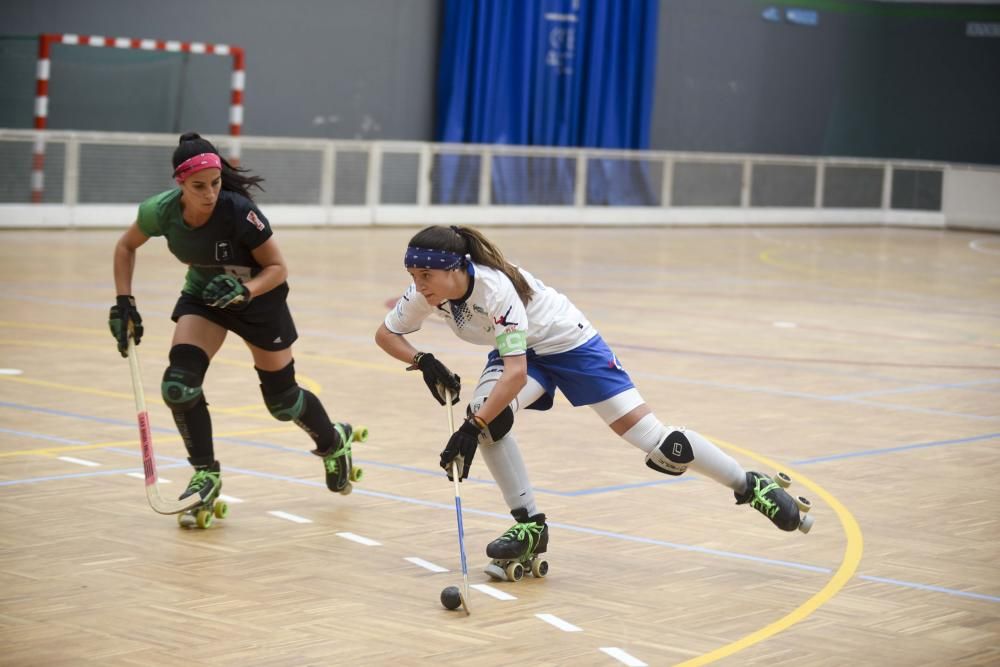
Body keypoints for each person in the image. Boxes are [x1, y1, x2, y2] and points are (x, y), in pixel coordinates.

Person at [375, 225, 812, 578]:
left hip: (570, 344)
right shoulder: (427, 292)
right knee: (491, 419)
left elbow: (515, 376)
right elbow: (385, 334)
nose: (418, 287)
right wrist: (423, 360)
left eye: (425, 277)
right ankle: (529, 525)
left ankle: (751, 486)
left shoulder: (495, 289)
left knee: (660, 444)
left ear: (456, 268)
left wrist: (470, 429)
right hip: (521, 352)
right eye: (413, 278)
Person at [109, 132, 363, 523]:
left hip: (259, 300)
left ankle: (333, 442)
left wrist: (246, 292)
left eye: (215, 183)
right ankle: (205, 474)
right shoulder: (159, 212)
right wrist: (124, 301)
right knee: (178, 385)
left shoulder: (240, 212)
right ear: (179, 182)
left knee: (282, 403)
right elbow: (126, 247)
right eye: (199, 186)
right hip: (205, 295)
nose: (210, 193)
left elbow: (278, 269)